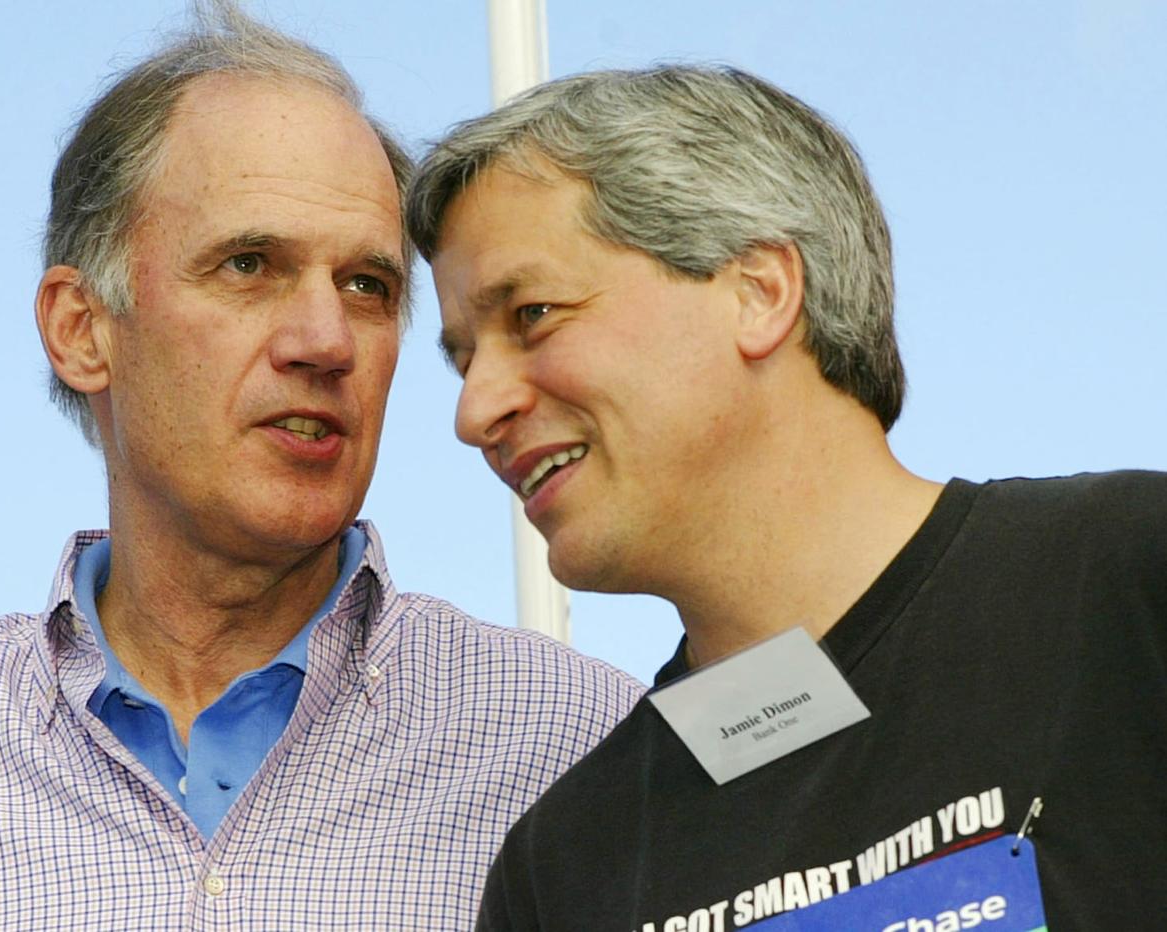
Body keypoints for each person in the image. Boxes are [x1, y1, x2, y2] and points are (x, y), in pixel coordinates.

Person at [0, 5, 644, 928]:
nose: (325, 340)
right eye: (249, 264)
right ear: (82, 329)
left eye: (367, 287)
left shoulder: (581, 746)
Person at [406, 65, 1167, 930]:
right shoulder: (564, 865)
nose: (475, 412)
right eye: (465, 359)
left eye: (534, 314)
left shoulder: (1129, 588)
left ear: (759, 291)